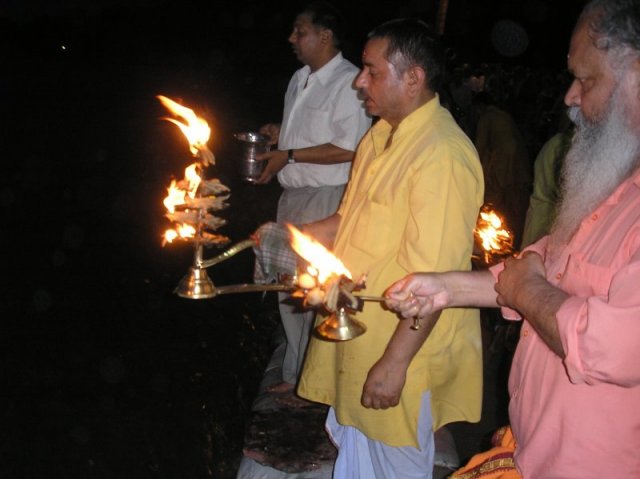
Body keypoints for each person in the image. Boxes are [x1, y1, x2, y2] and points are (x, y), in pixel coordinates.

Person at [385, 1, 640, 476]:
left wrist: (528, 289)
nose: (569, 97)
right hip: (534, 452)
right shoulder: (611, 183)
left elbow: (610, 344)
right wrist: (445, 287)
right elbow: (536, 267)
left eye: (586, 81)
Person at [297, 19, 484, 477]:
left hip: (400, 346)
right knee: (355, 449)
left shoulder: (441, 154)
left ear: (414, 78)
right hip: (359, 331)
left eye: (372, 71)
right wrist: (293, 234)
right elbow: (351, 218)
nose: (360, 81)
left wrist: (394, 363)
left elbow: (435, 282)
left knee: (394, 464)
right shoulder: (380, 135)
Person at [254, 1, 371, 394]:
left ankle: (316, 384)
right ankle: (295, 375)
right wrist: (280, 136)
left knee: (318, 289)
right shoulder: (299, 78)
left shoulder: (350, 82)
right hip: (293, 194)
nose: (292, 38)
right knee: (289, 288)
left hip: (326, 197)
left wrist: (288, 154)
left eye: (299, 31)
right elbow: (303, 136)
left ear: (325, 37)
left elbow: (352, 147)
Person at [472, 91, 532, 247]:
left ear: (480, 106)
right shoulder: (503, 115)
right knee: (512, 198)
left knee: (494, 198)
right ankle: (512, 234)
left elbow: (479, 146)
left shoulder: (486, 117)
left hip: (503, 161)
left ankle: (498, 235)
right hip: (518, 160)